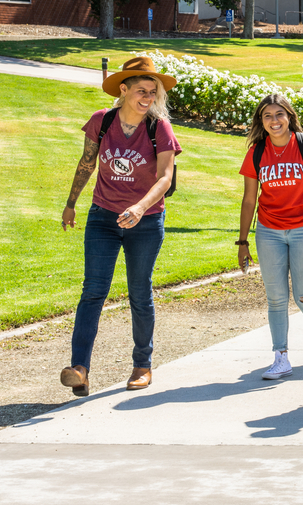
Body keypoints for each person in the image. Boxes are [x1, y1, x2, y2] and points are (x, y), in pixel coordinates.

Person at [59, 56, 181, 397]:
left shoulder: (159, 128)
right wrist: (71, 204)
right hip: (103, 218)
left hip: (147, 220)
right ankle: (80, 368)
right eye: (141, 90)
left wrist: (140, 207)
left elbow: (165, 177)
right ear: (123, 89)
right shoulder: (102, 121)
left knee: (140, 293)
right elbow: (86, 163)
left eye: (153, 92)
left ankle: (142, 365)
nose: (148, 97)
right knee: (93, 291)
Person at [238, 94, 303, 380]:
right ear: (261, 121)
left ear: (289, 116)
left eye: (279, 114)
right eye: (267, 116)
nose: (274, 120)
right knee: (276, 298)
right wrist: (243, 242)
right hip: (269, 231)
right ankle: (281, 356)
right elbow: (248, 200)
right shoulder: (257, 152)